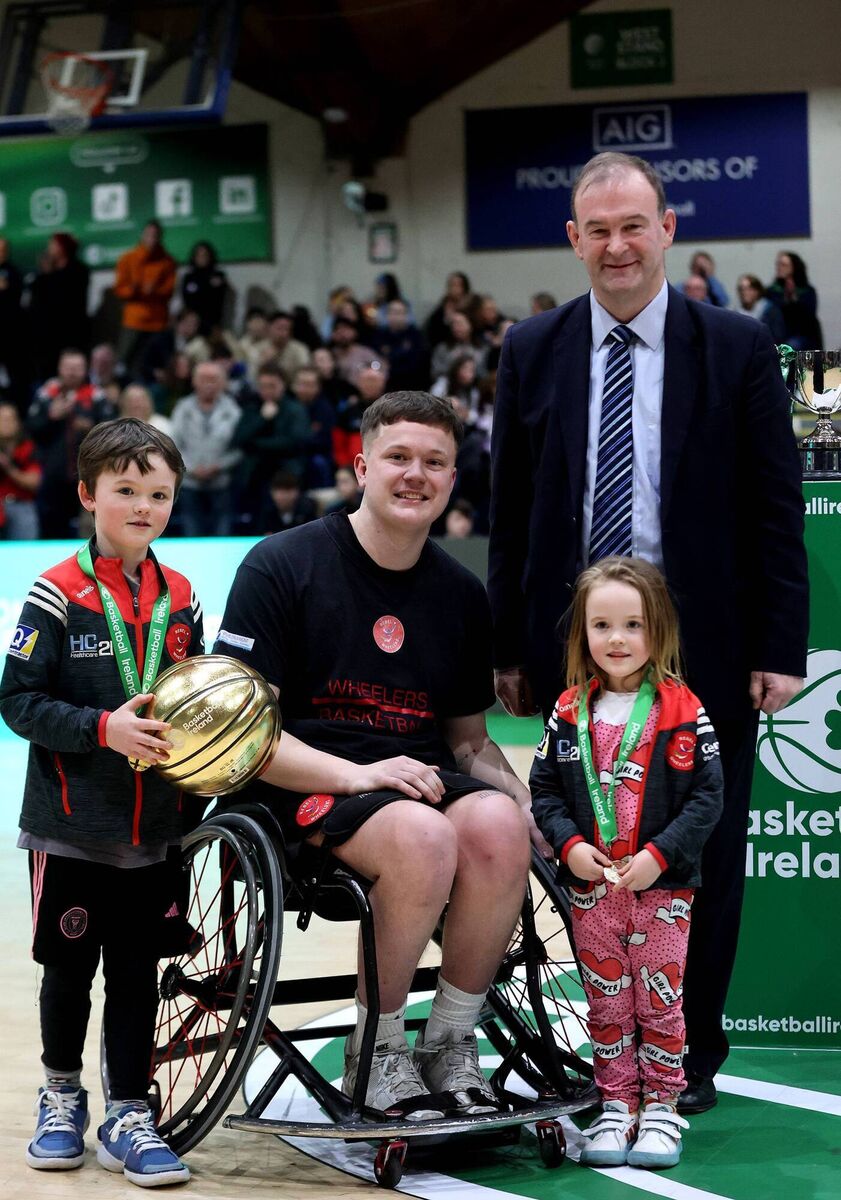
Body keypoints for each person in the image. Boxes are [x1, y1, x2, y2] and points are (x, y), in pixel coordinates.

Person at [489, 151, 808, 1114]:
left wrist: (778, 646)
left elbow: (771, 507)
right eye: (599, 229)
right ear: (573, 240)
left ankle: (687, 1057)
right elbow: (509, 511)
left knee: (696, 850)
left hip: (701, 646)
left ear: (667, 229)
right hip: (571, 652)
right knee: (582, 854)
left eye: (635, 225)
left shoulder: (738, 343)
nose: (618, 245)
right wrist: (509, 644)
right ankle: (602, 1050)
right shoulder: (530, 348)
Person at [214, 391, 545, 1118]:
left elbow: (468, 742)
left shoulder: (459, 594)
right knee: (424, 833)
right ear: (361, 465)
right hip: (299, 785)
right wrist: (358, 775)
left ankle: (450, 1042)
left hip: (415, 784)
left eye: (434, 462)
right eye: (398, 457)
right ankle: (380, 1049)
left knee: (496, 825)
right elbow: (242, 736)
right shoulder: (280, 564)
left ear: (453, 480)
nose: (414, 475)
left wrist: (526, 805)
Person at [0, 417, 203, 1185]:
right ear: (89, 495)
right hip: (71, 826)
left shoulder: (182, 596)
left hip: (154, 831)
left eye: (158, 493)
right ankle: (60, 1097)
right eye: (126, 491)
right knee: (68, 969)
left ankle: (130, 1109)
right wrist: (102, 728)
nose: (143, 506)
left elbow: (191, 704)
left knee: (137, 972)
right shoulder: (56, 593)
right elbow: (16, 701)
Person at [530, 557, 723, 1169]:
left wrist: (659, 855)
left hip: (663, 888)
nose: (617, 639)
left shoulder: (683, 709)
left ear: (658, 630)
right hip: (592, 892)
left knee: (660, 1000)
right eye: (602, 625)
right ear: (582, 634)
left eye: (633, 625)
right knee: (607, 1001)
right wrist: (568, 847)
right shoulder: (567, 711)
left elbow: (708, 796)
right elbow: (544, 792)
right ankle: (617, 1106)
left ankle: (662, 1108)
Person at [28, 348, 117, 539]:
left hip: (89, 475)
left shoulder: (96, 395)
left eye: (77, 367)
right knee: (51, 530)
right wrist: (51, 416)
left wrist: (90, 426)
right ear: (60, 368)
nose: (72, 372)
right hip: (52, 476)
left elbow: (112, 430)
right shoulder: (46, 394)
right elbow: (30, 429)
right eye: (68, 367)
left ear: (85, 369)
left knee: (91, 530)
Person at [170, 360, 242, 537]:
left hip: (222, 482)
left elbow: (240, 447)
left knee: (223, 534)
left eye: (214, 379)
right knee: (191, 533)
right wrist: (192, 468)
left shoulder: (233, 410)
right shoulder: (182, 408)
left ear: (223, 382)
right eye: (204, 379)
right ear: (194, 381)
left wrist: (219, 466)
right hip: (189, 482)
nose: (208, 384)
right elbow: (173, 444)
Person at [113, 221, 177, 378]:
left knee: (156, 362)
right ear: (143, 235)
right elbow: (120, 289)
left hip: (158, 322)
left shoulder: (168, 262)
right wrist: (134, 289)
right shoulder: (128, 259)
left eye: (156, 235)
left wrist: (154, 290)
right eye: (149, 235)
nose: (152, 239)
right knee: (125, 360)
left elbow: (170, 290)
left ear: (160, 237)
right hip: (134, 320)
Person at [28, 233, 90, 382]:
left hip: (70, 332)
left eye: (53, 245)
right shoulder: (45, 273)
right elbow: (36, 296)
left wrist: (49, 275)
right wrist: (46, 273)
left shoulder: (78, 270)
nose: (49, 249)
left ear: (63, 248)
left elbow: (65, 299)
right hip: (46, 337)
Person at [0, 402, 41, 539]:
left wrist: (8, 467)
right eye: (2, 419)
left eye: (10, 419)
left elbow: (34, 482)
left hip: (21, 505)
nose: (6, 423)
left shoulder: (27, 448)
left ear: (17, 423)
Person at [766, 251, 822, 350]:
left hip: (801, 335)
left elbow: (809, 317)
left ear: (794, 267)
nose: (779, 267)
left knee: (791, 346)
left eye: (783, 265)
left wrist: (793, 298)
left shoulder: (807, 291)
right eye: (778, 264)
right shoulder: (772, 291)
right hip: (777, 334)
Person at [179, 241, 228, 336]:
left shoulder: (219, 276)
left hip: (212, 323)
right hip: (192, 324)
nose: (202, 258)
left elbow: (215, 300)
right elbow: (187, 300)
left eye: (205, 255)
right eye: (199, 255)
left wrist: (201, 288)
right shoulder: (188, 278)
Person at [736, 274, 786, 342]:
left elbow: (778, 337)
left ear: (757, 291)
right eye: (742, 289)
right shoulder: (736, 313)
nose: (744, 292)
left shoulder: (771, 311)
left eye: (749, 289)